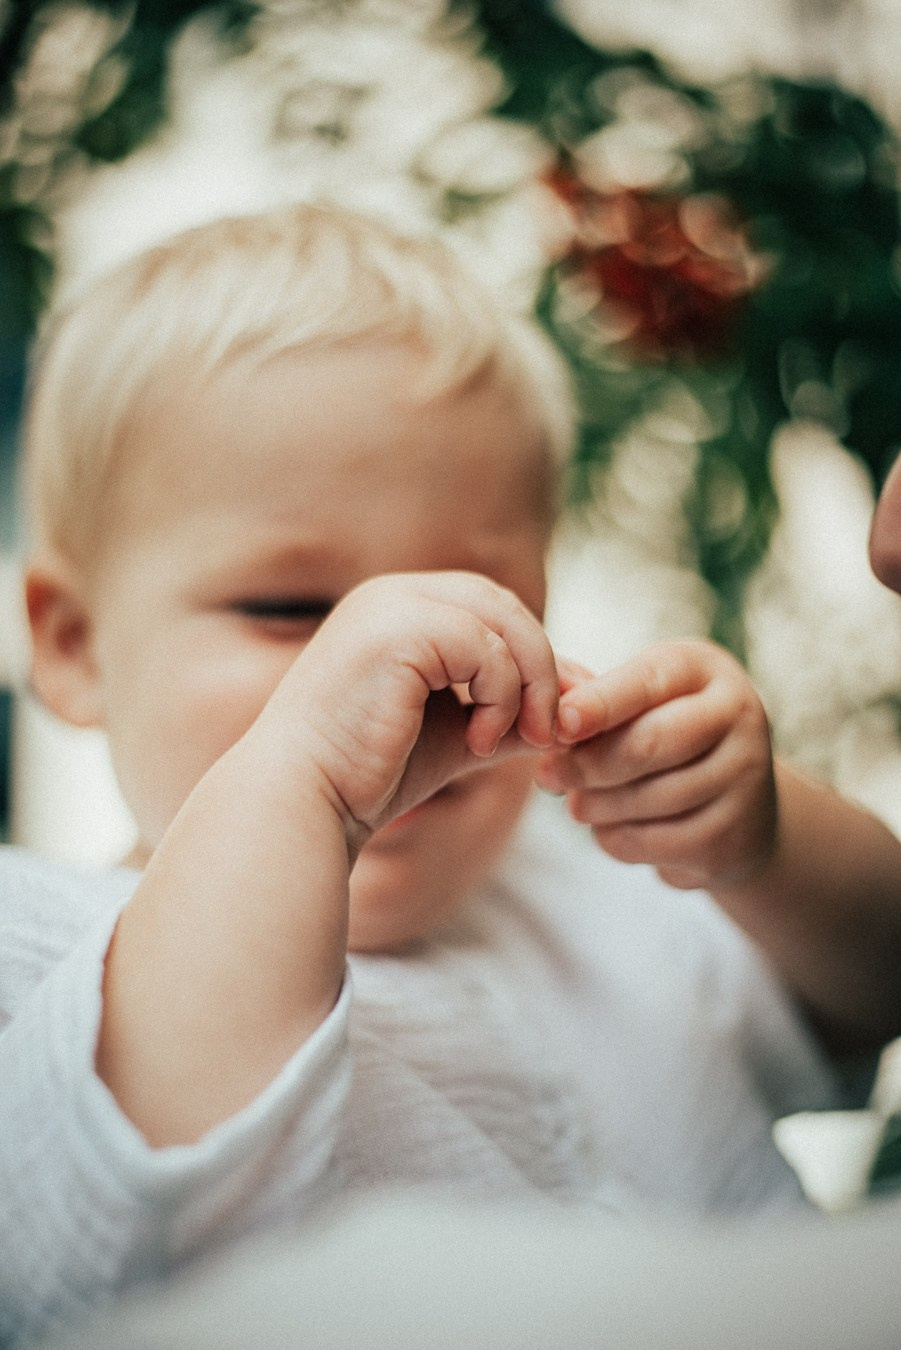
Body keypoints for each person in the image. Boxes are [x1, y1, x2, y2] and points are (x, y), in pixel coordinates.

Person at [4, 204, 901, 1346]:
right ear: (76, 644)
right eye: (292, 611)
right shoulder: (38, 941)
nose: (403, 671)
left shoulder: (591, 892)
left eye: (471, 605)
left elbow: (879, 982)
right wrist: (307, 782)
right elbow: (126, 1215)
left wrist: (761, 844)